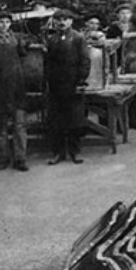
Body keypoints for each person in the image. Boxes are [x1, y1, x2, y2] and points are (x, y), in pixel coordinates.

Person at [0, 12, 30, 171]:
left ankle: (20, 159)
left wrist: (25, 42)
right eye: (1, 22)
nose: (4, 25)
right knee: (1, 127)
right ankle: (3, 158)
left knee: (19, 125)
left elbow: (23, 52)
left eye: (7, 22)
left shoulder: (14, 38)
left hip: (17, 88)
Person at [45, 9, 91, 165]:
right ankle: (58, 153)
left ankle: (75, 152)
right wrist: (47, 81)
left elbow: (85, 61)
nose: (62, 22)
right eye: (58, 19)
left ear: (71, 21)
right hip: (56, 85)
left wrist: (81, 81)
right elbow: (48, 62)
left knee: (75, 119)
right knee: (56, 120)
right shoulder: (52, 39)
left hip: (73, 84)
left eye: (65, 19)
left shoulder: (78, 38)